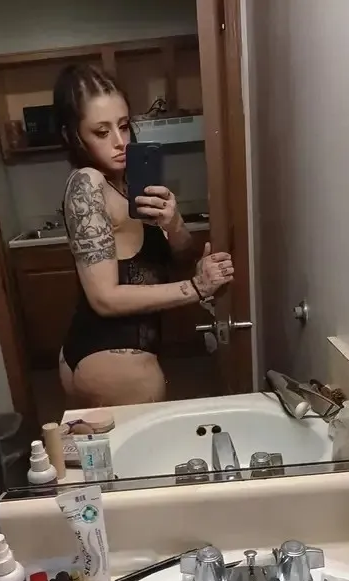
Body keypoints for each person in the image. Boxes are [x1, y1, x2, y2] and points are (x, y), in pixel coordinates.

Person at [53, 64, 234, 407]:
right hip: (112, 358)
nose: (120, 142)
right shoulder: (88, 183)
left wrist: (174, 223)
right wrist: (197, 288)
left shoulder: (129, 184)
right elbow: (104, 298)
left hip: (116, 355)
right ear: (71, 136)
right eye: (101, 132)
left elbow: (182, 259)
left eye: (123, 126)